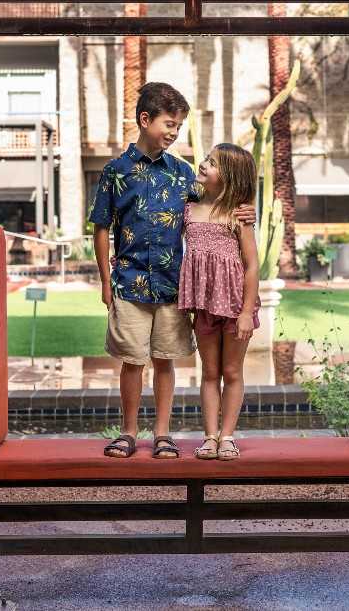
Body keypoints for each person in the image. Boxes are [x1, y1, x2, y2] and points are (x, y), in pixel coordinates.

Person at [90, 83, 254, 459]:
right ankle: (128, 432)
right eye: (169, 124)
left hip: (172, 287)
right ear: (145, 119)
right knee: (132, 361)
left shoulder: (183, 173)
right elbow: (101, 228)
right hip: (128, 283)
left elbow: (220, 199)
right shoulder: (115, 172)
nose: (174, 132)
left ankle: (162, 434)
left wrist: (248, 209)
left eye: (179, 126)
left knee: (165, 359)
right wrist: (105, 281)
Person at [178, 144, 260, 461]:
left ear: (229, 177)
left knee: (232, 371)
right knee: (210, 372)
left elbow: (251, 265)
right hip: (204, 306)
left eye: (212, 163)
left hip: (236, 305)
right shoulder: (188, 209)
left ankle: (228, 437)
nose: (203, 164)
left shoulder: (240, 215)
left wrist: (246, 312)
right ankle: (210, 437)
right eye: (206, 159)